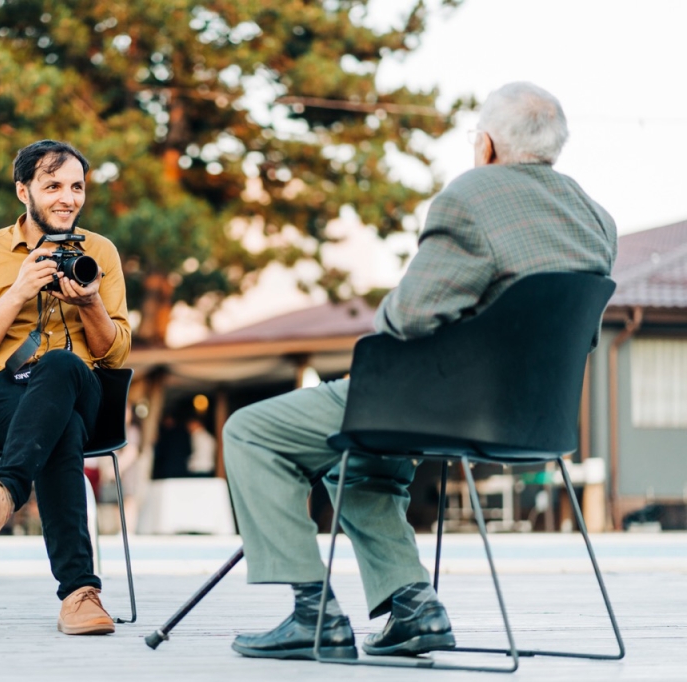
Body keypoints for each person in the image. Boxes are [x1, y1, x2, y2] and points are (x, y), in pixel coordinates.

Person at [223, 82, 617, 660]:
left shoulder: (473, 195)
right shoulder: (596, 218)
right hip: (538, 417)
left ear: (485, 144)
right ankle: (413, 607)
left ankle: (313, 612)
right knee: (357, 468)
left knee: (251, 432)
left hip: (450, 404)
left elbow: (407, 319)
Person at [0, 140, 131, 635]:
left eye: (77, 187)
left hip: (78, 385)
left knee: (64, 368)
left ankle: (5, 490)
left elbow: (115, 354)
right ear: (22, 190)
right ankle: (79, 594)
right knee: (60, 428)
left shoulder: (101, 253)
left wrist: (90, 305)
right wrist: (19, 292)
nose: (67, 198)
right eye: (53, 186)